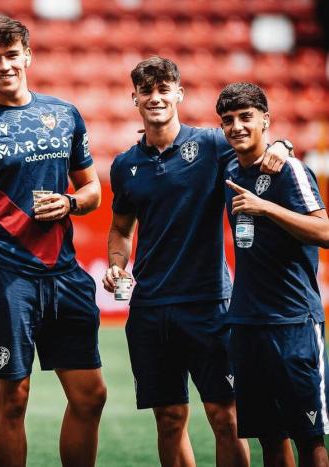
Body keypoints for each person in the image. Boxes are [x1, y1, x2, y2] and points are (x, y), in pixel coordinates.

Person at [103, 56, 291, 467]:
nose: (155, 97)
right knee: (169, 420)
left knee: (225, 417)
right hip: (150, 309)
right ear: (133, 97)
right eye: (146, 91)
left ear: (179, 94)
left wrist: (281, 144)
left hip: (208, 304)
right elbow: (120, 229)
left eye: (163, 89)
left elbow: (255, 140)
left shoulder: (211, 144)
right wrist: (117, 263)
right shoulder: (125, 165)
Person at [0, 17, 106, 467]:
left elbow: (92, 192)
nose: (3, 65)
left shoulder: (64, 114)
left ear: (27, 56)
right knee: (13, 399)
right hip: (6, 275)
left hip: (65, 274)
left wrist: (71, 204)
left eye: (11, 55)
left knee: (91, 396)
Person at [219, 82, 329, 467]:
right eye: (228, 120)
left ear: (265, 119)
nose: (236, 126)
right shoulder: (229, 168)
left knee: (309, 439)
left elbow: (326, 232)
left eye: (246, 117)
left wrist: (266, 208)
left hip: (294, 320)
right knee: (269, 437)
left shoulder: (291, 170)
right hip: (247, 322)